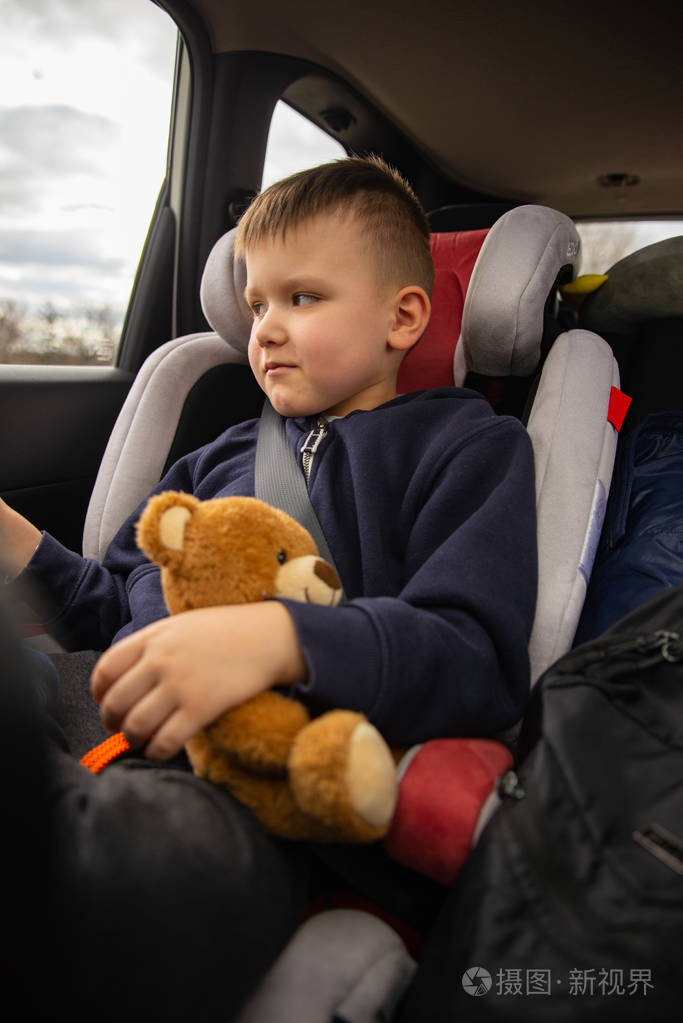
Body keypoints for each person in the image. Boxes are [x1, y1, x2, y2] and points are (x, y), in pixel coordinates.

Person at [0, 156, 537, 1019]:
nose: (266, 329)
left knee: (149, 876)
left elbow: (474, 652)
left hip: (243, 790)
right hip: (90, 705)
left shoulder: (465, 447)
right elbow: (111, 610)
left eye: (302, 298)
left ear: (403, 317)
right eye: (256, 304)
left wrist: (277, 638)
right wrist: (17, 540)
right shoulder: (209, 460)